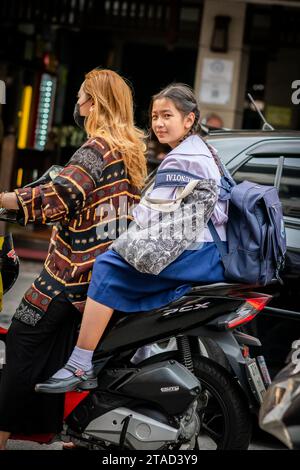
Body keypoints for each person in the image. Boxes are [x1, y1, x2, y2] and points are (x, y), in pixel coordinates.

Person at [37, 83, 229, 395]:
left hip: (197, 250)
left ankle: (80, 362)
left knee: (108, 266)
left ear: (189, 120)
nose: (159, 123)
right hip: (208, 248)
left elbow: (150, 217)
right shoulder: (203, 149)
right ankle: (141, 349)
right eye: (155, 116)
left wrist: (120, 237)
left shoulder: (182, 159)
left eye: (168, 116)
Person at [0, 68, 147, 450]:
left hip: (67, 275)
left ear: (94, 103)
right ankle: (50, 430)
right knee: (58, 352)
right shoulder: (130, 152)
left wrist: (5, 199)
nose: (77, 103)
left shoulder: (96, 149)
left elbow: (58, 197)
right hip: (101, 277)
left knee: (22, 343)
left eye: (81, 96)